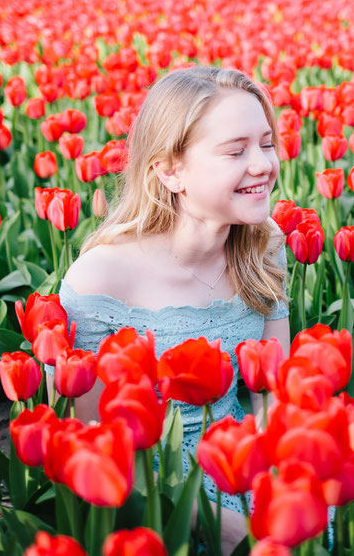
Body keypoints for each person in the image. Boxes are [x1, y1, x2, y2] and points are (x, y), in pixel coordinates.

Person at [56, 66, 291, 552]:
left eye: (266, 143)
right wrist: (220, 524)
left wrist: (271, 484)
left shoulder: (264, 245)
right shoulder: (103, 277)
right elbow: (91, 441)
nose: (263, 164)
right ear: (170, 169)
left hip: (241, 460)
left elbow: (274, 395)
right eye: (235, 150)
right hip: (148, 493)